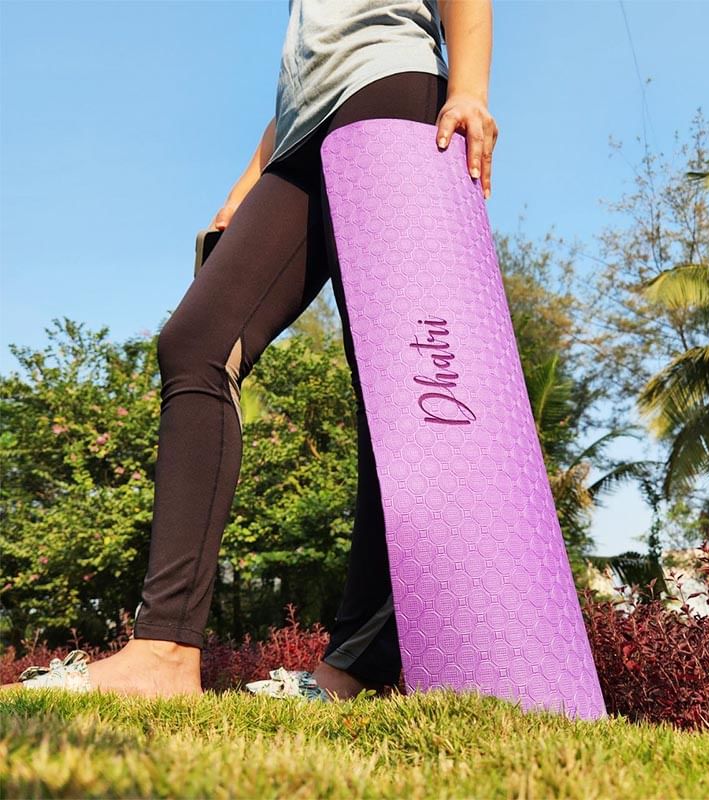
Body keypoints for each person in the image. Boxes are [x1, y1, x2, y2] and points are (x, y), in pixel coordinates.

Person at [9, 0, 498, 699]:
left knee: (397, 389)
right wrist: (246, 185)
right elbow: (309, 72)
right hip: (304, 136)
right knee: (196, 343)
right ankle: (165, 653)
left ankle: (354, 667)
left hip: (390, 97)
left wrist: (469, 90)